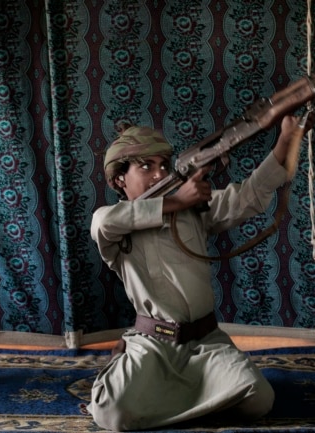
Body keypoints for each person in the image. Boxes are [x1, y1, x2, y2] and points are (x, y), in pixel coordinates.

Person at [88, 115, 301, 431]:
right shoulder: (115, 227)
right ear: (120, 180)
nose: (159, 173)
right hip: (153, 345)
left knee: (259, 400)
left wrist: (285, 140)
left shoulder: (193, 211)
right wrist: (175, 201)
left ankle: (167, 398)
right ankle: (143, 379)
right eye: (145, 167)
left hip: (206, 342)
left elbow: (247, 196)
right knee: (110, 413)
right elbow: (103, 223)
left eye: (163, 164)